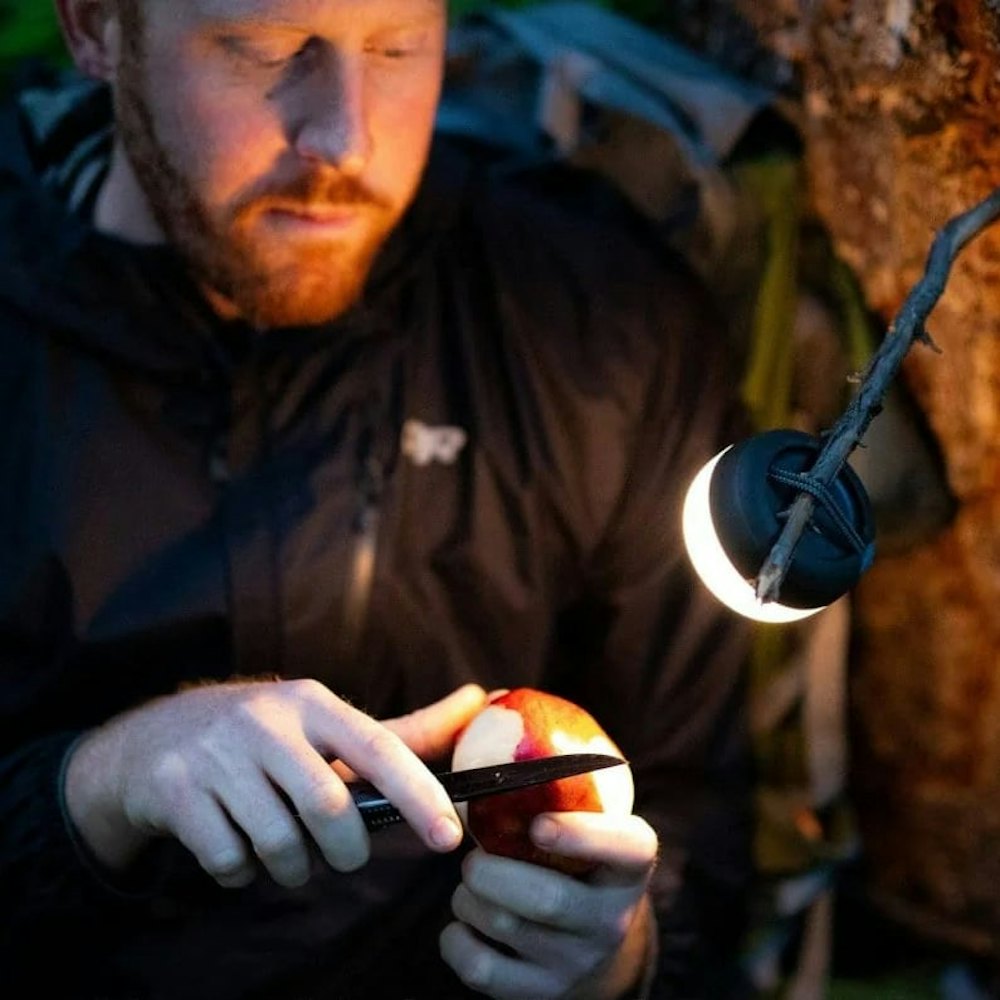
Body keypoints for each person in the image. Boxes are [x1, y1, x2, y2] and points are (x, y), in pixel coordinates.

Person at [0, 0, 754, 997]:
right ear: (98, 29)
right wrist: (93, 789)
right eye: (266, 52)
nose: (344, 136)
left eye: (399, 47)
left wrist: (621, 957)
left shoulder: (598, 328)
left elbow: (700, 820)